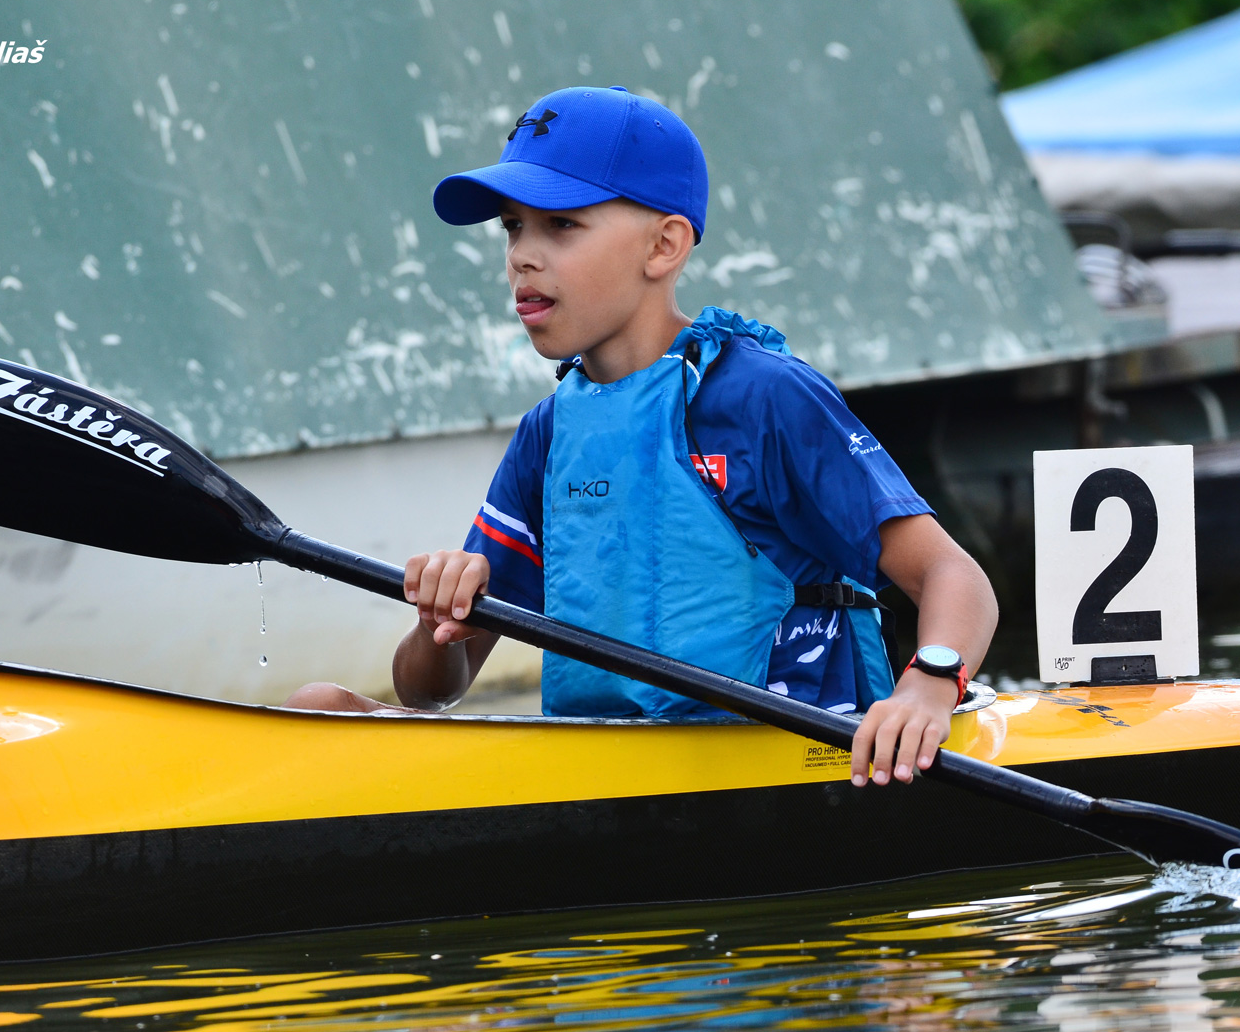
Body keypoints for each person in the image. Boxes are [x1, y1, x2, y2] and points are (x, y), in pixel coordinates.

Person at [284, 85, 998, 788]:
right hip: (613, 767)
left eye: (560, 225)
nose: (522, 257)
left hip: (792, 760)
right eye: (512, 226)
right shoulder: (550, 432)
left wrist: (928, 688)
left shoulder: (765, 396)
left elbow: (954, 577)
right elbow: (431, 690)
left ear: (664, 245)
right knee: (319, 710)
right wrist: (439, 622)